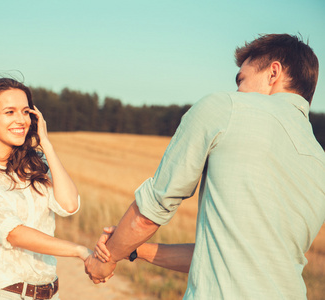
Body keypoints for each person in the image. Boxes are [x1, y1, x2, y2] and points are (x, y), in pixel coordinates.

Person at [85, 33, 325, 299]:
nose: (238, 91)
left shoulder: (227, 108)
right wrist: (134, 251)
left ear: (273, 73)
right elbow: (221, 255)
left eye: (241, 79)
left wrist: (105, 258)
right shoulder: (319, 160)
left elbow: (151, 212)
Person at [0, 77, 91, 300]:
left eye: (26, 111)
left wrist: (46, 143)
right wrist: (80, 251)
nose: (21, 120)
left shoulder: (36, 162)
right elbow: (14, 233)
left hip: (49, 293)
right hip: (4, 293)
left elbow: (69, 205)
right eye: (10, 112)